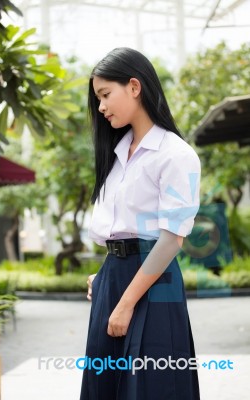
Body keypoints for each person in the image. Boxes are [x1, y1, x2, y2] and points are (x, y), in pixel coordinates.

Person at [79, 47, 201, 400]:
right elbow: (118, 228)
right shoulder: (117, 155)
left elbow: (171, 239)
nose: (100, 107)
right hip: (114, 277)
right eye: (98, 98)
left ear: (134, 86)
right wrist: (106, 274)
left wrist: (125, 303)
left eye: (105, 95)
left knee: (151, 386)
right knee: (104, 387)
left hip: (153, 282)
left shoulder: (177, 155)